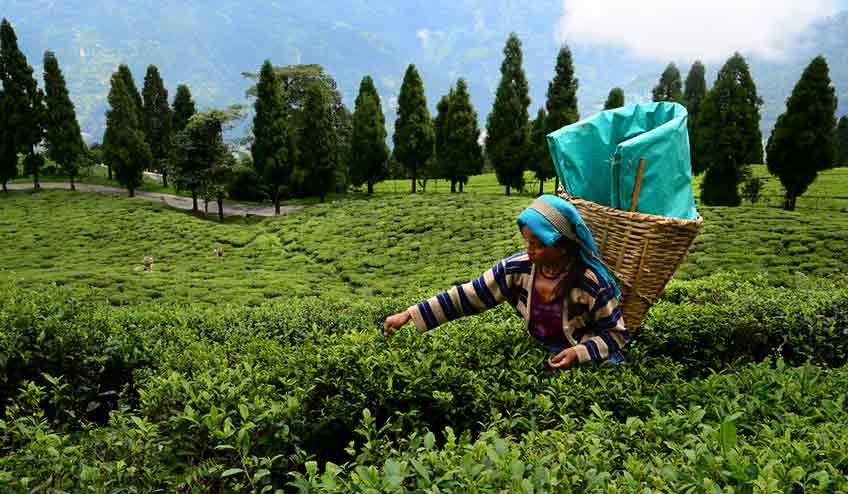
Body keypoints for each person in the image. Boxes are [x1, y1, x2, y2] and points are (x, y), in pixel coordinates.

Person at [383, 194, 629, 369]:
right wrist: (410, 314)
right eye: (527, 242)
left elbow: (616, 334)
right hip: (542, 355)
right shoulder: (517, 268)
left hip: (591, 361)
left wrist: (579, 353)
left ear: (562, 246)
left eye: (539, 244)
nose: (530, 250)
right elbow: (469, 296)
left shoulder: (591, 281)